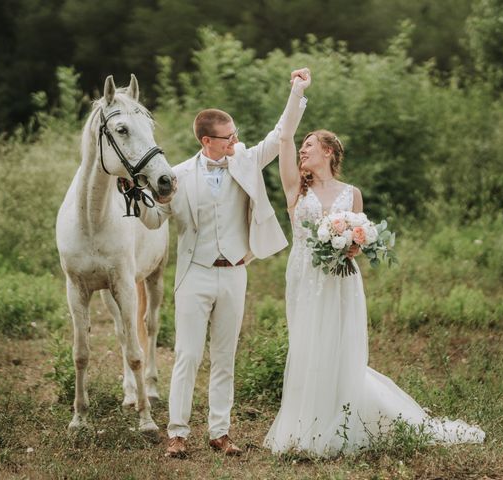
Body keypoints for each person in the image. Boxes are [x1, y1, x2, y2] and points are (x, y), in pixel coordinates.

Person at [264, 69, 485, 456]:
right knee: (306, 346)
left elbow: (362, 239)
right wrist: (298, 92)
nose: (302, 149)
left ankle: (343, 419)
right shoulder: (294, 187)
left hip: (342, 279)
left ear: (328, 152)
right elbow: (283, 136)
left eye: (310, 145)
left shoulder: (353, 194)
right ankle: (305, 426)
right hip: (304, 277)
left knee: (339, 346)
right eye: (303, 145)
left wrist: (354, 247)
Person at [138, 69, 310, 458]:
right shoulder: (178, 175)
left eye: (235, 134)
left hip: (234, 272)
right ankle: (177, 433)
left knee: (225, 356)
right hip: (194, 274)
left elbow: (280, 132)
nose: (235, 140)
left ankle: (220, 431)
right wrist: (144, 200)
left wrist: (298, 92)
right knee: (187, 355)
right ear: (206, 141)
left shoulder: (246, 160)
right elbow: (153, 221)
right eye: (228, 137)